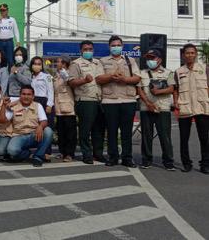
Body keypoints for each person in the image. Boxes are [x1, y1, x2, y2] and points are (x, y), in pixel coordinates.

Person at [96, 35, 141, 168]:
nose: (116, 47)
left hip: (128, 100)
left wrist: (124, 80)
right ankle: (113, 157)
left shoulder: (130, 60)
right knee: (112, 131)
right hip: (110, 101)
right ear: (109, 47)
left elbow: (137, 78)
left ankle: (127, 158)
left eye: (118, 45)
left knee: (126, 132)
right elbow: (98, 79)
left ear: (122, 46)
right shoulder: (102, 61)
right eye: (113, 45)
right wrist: (111, 76)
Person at [67, 40, 107, 164]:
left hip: (99, 99)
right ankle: (87, 154)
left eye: (90, 49)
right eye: (85, 49)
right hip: (84, 100)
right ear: (81, 51)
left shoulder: (98, 62)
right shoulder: (76, 64)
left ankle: (98, 153)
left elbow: (101, 79)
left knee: (98, 129)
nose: (88, 51)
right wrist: (84, 80)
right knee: (85, 129)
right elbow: (71, 82)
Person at [137, 49, 175, 171]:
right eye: (148, 58)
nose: (149, 60)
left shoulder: (168, 73)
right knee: (146, 136)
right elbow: (139, 89)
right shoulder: (141, 73)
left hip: (162, 108)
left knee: (165, 136)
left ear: (159, 59)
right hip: (146, 108)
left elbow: (171, 89)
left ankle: (168, 161)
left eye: (152, 58)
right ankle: (146, 160)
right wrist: (148, 103)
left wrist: (159, 91)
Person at [173, 43, 209, 174]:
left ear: (196, 54)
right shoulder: (178, 72)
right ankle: (186, 163)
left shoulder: (205, 69)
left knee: (204, 138)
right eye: (187, 53)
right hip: (185, 107)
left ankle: (205, 164)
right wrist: (176, 102)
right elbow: (175, 89)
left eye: (192, 53)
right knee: (184, 138)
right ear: (183, 55)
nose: (190, 55)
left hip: (202, 107)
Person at [5, 85, 54, 167]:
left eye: (29, 94)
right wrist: (5, 106)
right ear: (20, 95)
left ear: (33, 96)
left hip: (34, 135)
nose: (26, 96)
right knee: (12, 151)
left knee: (48, 131)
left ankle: (38, 157)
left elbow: (44, 120)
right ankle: (26, 153)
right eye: (23, 94)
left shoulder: (38, 105)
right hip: (19, 135)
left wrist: (40, 127)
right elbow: (4, 120)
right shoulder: (13, 106)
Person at [30, 56, 54, 161]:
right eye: (35, 63)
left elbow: (51, 91)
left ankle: (47, 152)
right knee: (36, 126)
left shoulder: (47, 76)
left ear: (42, 65)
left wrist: (49, 104)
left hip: (44, 101)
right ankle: (38, 149)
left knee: (46, 127)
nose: (37, 66)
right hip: (33, 102)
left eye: (39, 64)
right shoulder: (30, 76)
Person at [54, 56, 77, 162]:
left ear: (64, 63)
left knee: (70, 133)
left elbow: (70, 83)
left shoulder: (68, 73)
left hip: (68, 107)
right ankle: (62, 152)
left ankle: (69, 153)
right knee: (61, 132)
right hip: (58, 108)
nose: (57, 63)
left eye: (59, 62)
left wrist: (65, 75)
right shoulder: (56, 75)